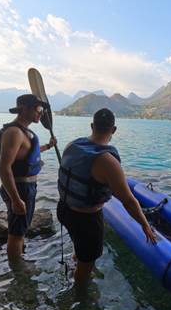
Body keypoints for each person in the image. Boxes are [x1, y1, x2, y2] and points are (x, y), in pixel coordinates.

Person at [57, 108, 156, 290]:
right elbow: (128, 200)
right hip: (86, 221)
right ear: (114, 130)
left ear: (92, 126)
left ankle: (77, 260)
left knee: (79, 247)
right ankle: (81, 295)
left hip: (63, 210)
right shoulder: (108, 161)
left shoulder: (71, 145)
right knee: (86, 265)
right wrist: (145, 225)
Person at [0, 94, 57, 262]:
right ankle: (18, 273)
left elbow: (27, 154)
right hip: (19, 189)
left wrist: (48, 146)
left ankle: (19, 257)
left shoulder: (24, 132)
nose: (41, 113)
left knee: (20, 230)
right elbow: (4, 167)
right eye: (38, 109)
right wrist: (16, 199)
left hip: (26, 188)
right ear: (24, 109)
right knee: (16, 233)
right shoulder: (14, 132)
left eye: (42, 110)